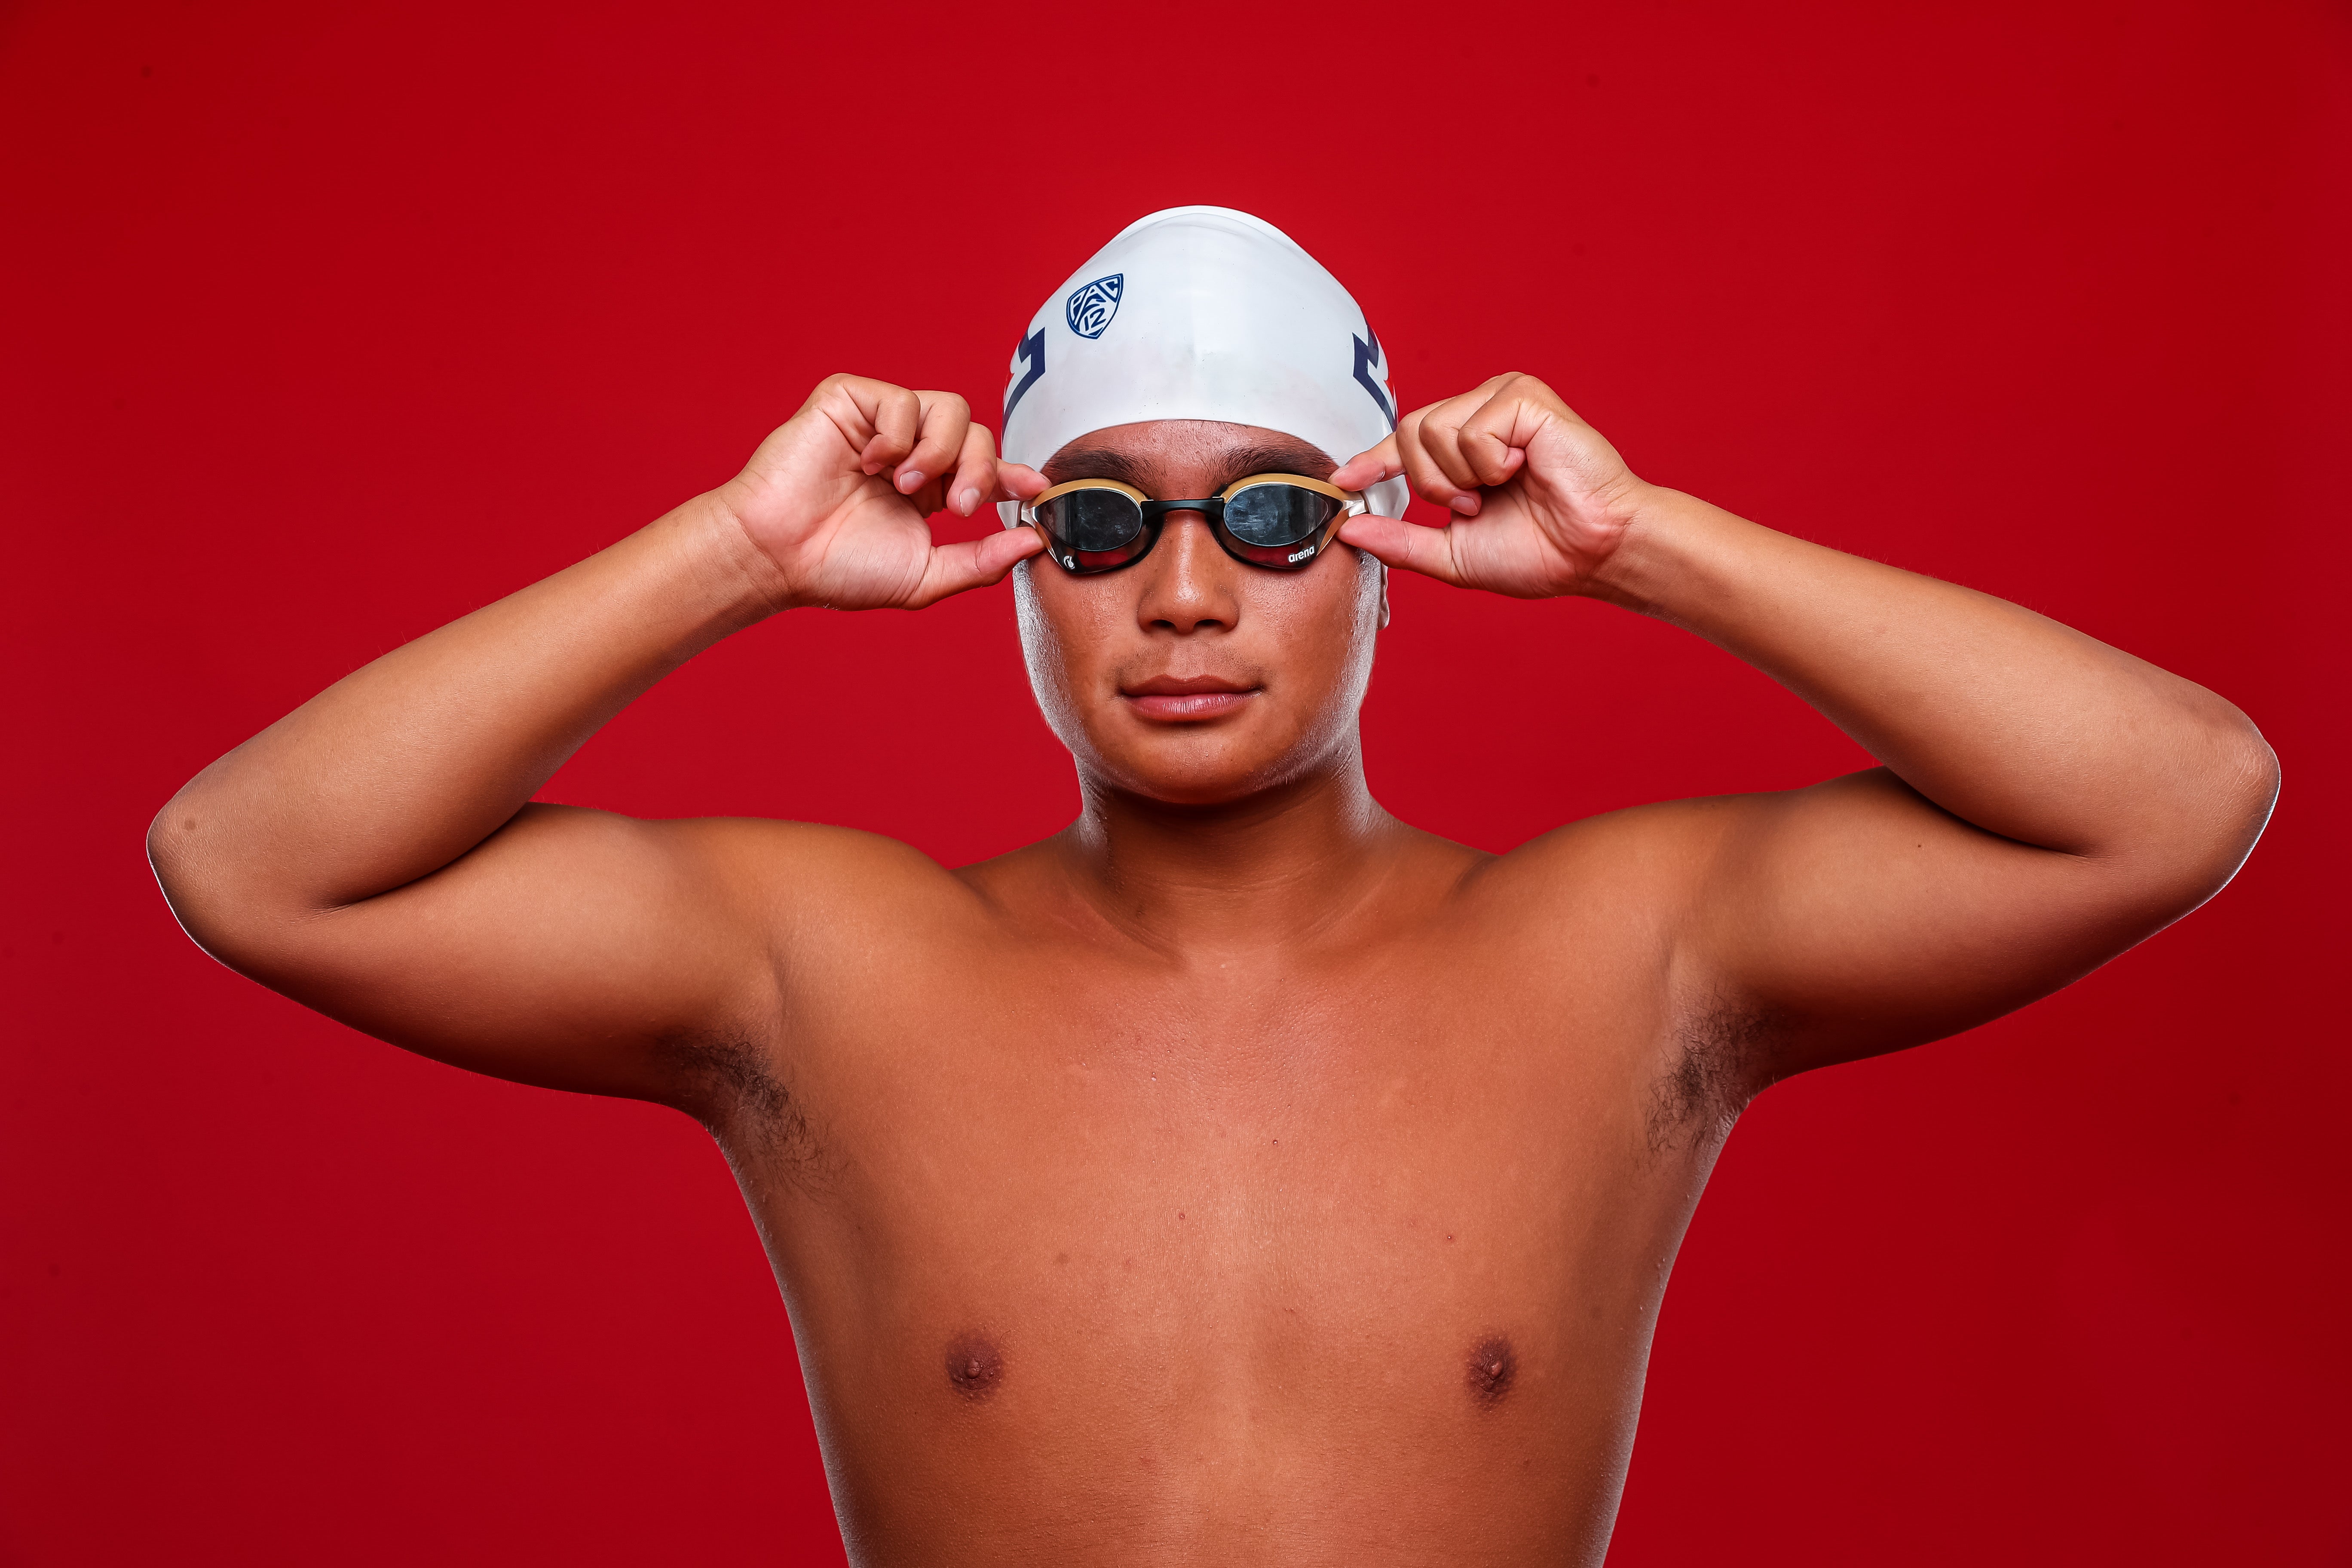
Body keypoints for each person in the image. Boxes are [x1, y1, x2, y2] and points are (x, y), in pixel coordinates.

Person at [147, 207, 2277, 1565]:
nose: (1181, 597)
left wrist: (1651, 546)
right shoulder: (829, 972)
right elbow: (248, 864)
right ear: (1017, 570)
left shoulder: (1625, 956)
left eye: (1269, 518)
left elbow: (2180, 798)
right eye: (1097, 524)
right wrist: (737, 551)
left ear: (1382, 550)